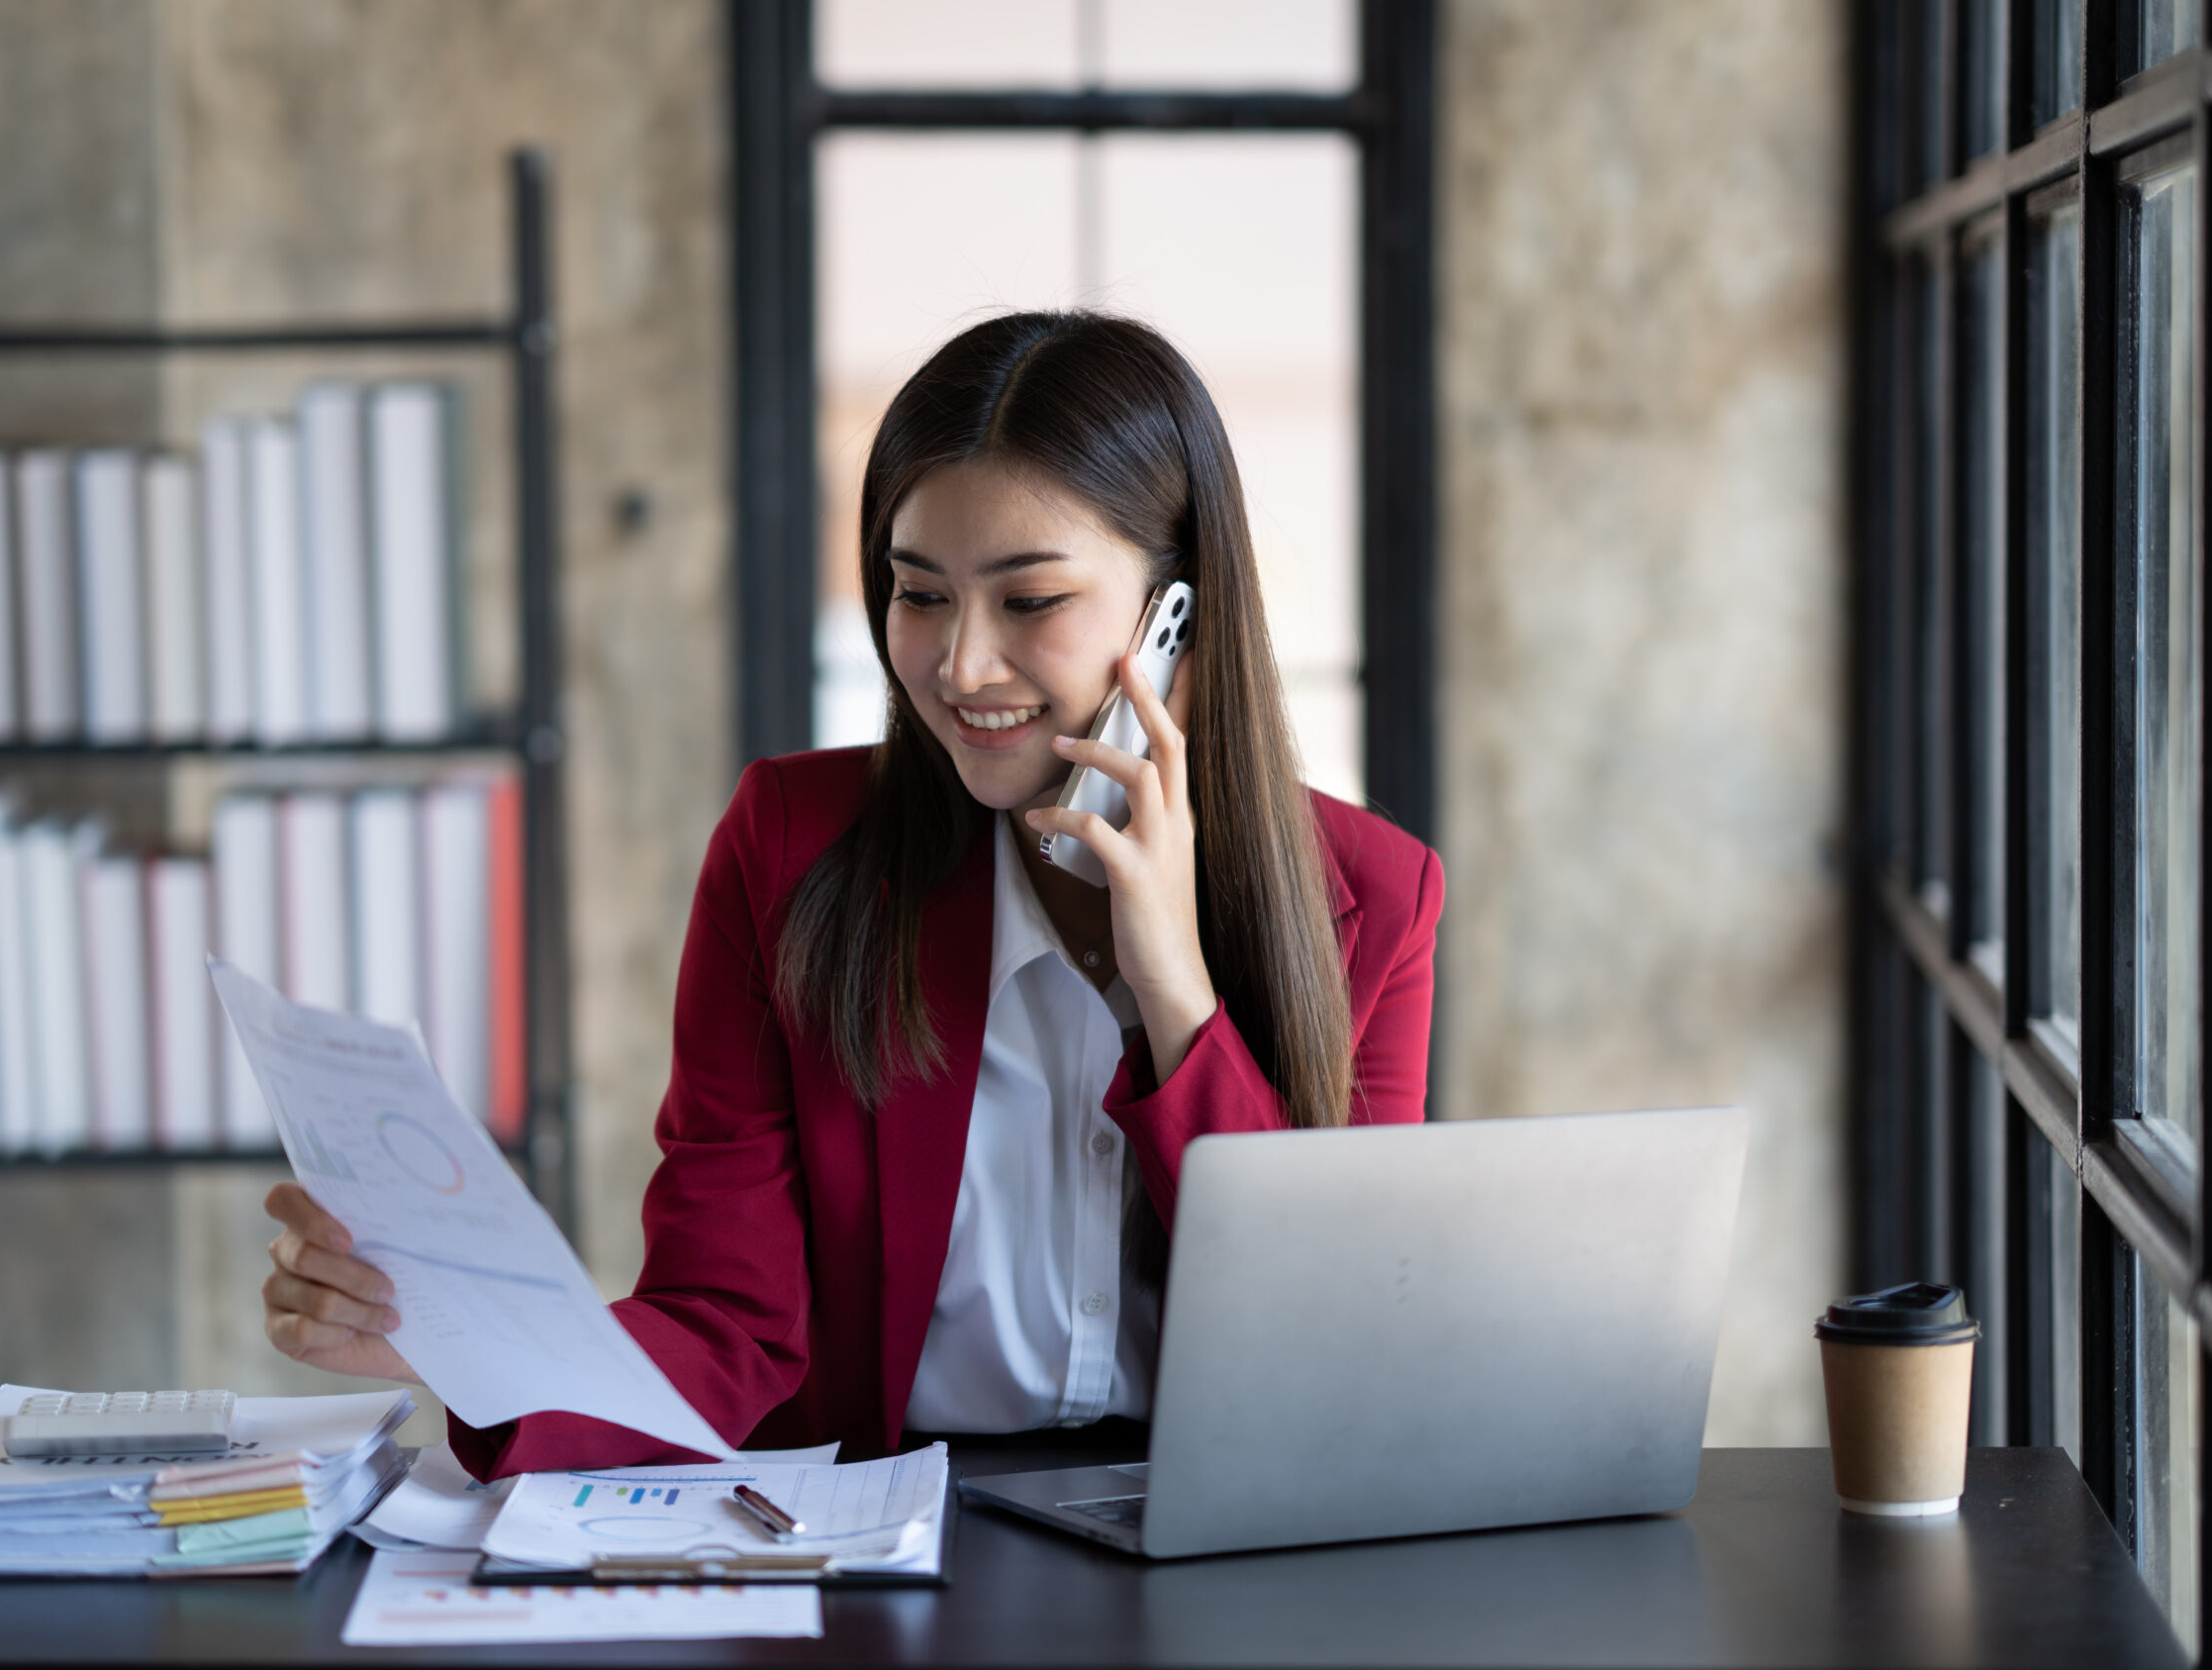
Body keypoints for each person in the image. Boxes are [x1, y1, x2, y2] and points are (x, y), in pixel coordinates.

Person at [259, 311, 1444, 1476]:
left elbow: (1340, 1351)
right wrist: (468, 1342)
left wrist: (1175, 993)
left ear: (1171, 616)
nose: (960, 664)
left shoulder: (1374, 900)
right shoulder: (789, 850)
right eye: (919, 593)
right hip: (887, 1537)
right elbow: (728, 1329)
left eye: (1029, 602)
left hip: (1212, 1548)